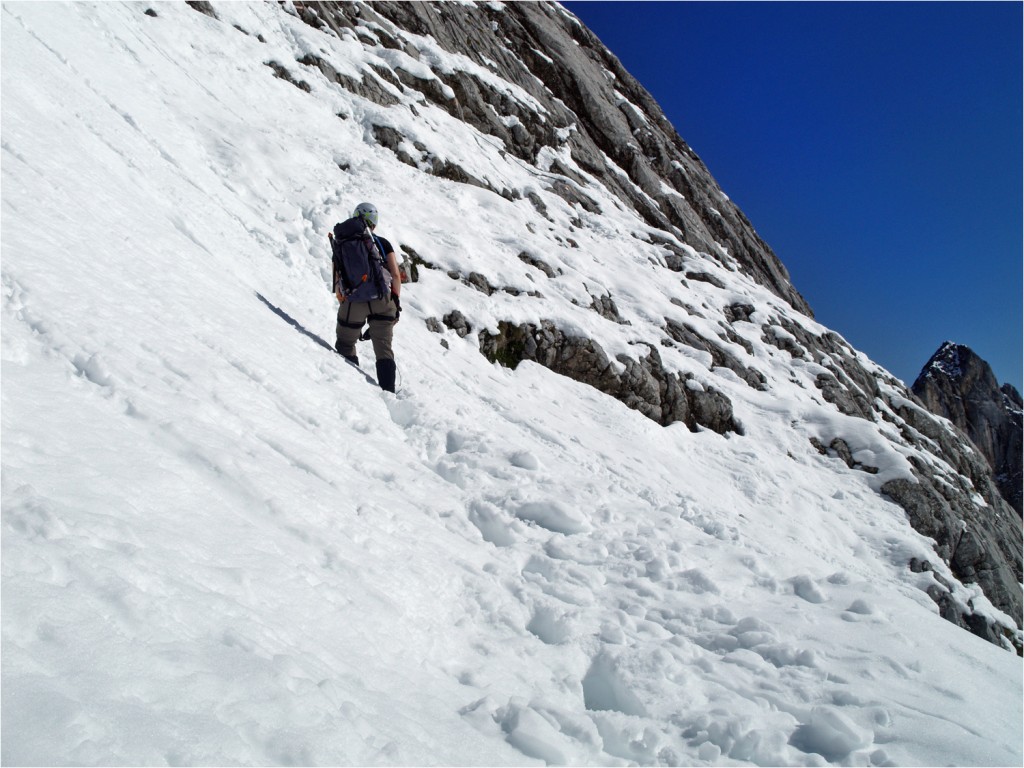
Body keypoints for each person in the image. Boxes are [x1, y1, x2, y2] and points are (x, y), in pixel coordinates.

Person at [334, 202, 402, 392]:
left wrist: (346, 303)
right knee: (384, 350)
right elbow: (396, 276)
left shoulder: (342, 241)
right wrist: (395, 303)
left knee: (346, 343)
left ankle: (353, 389)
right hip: (382, 300)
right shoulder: (382, 243)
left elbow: (338, 282)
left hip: (353, 302)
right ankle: (388, 392)